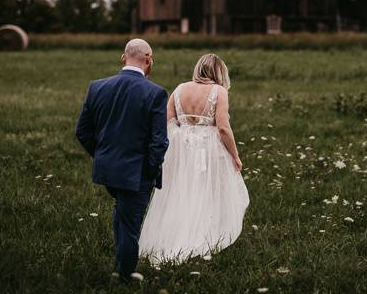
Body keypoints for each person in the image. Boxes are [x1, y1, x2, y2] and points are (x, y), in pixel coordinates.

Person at [139, 53, 249, 264]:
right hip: (210, 151)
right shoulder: (219, 91)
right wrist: (235, 155)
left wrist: (183, 138)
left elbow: (168, 121)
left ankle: (174, 234)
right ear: (219, 72)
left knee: (181, 191)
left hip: (182, 152)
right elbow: (224, 128)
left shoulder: (180, 89)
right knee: (209, 193)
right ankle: (206, 235)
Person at [75, 39, 169, 282]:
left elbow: (82, 131)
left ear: (122, 57)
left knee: (122, 214)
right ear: (149, 59)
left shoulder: (97, 87)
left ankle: (121, 264)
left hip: (108, 171)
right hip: (136, 174)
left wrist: (103, 155)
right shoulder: (155, 93)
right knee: (129, 223)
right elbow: (159, 141)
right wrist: (148, 171)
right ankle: (124, 275)